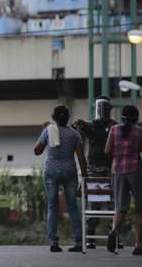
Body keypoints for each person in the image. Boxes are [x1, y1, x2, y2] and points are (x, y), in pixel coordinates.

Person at [34, 105, 87, 253]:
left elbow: (37, 151)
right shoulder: (74, 134)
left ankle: (53, 242)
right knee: (72, 207)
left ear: (54, 117)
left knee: (52, 206)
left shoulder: (48, 131)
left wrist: (44, 133)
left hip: (51, 171)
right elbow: (81, 158)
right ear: (68, 117)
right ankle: (78, 242)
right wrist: (84, 177)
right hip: (69, 171)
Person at [104, 105, 142, 256]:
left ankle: (114, 230)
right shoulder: (141, 132)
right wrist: (136, 160)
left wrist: (118, 158)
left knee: (120, 206)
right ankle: (138, 245)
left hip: (117, 171)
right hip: (135, 169)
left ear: (122, 117)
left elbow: (107, 151)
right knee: (139, 207)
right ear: (136, 118)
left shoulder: (114, 130)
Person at [73, 95, 116, 248]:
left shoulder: (114, 126)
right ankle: (90, 239)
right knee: (94, 204)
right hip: (93, 170)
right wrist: (79, 123)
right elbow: (84, 125)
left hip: (111, 170)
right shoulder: (92, 125)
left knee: (113, 205)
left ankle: (114, 236)